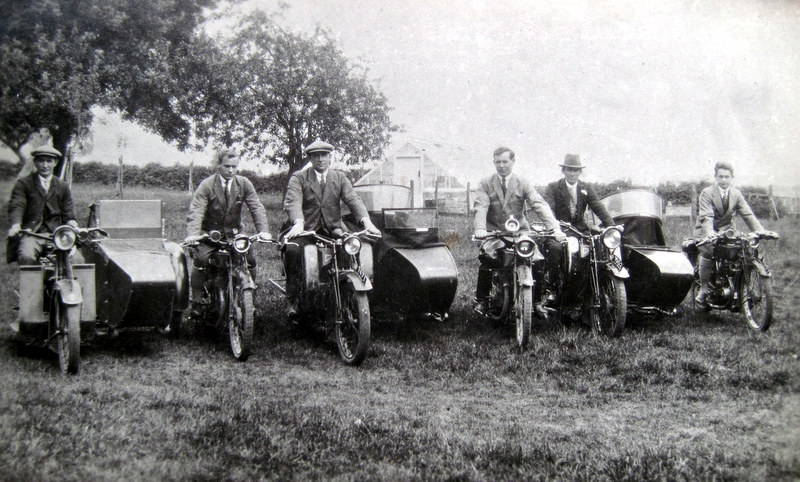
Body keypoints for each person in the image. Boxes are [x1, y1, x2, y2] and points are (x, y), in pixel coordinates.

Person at [282, 140, 381, 319]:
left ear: (329, 157)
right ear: (310, 158)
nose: (320, 159)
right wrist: (298, 222)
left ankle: (350, 294)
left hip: (333, 228)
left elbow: (353, 200)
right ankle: (293, 299)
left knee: (352, 247)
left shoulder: (339, 177)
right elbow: (293, 202)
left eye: (324, 155)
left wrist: (367, 222)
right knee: (293, 252)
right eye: (316, 155)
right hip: (306, 228)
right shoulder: (299, 177)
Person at [473, 146, 564, 315]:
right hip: (495, 233)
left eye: (505, 162)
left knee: (536, 260)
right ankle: (482, 299)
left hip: (520, 233)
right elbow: (481, 206)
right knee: (487, 259)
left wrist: (554, 227)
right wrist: (480, 228)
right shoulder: (485, 183)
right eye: (498, 162)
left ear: (513, 162)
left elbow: (538, 203)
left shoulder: (522, 182)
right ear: (493, 162)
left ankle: (535, 302)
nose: (501, 165)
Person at [185, 149, 272, 313]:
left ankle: (249, 299)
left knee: (250, 258)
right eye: (226, 166)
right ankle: (197, 301)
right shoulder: (207, 185)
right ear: (218, 165)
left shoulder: (244, 183)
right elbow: (196, 211)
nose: (231, 170)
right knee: (201, 259)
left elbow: (256, 207)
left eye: (234, 166)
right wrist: (193, 234)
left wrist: (263, 230)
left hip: (234, 235)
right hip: (210, 234)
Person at [541, 154, 616, 297]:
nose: (572, 173)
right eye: (569, 170)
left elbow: (598, 207)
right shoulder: (554, 187)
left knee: (595, 249)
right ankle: (554, 287)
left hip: (580, 230)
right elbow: (548, 208)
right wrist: (554, 226)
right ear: (563, 171)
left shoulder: (586, 187)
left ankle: (591, 287)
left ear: (580, 172)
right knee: (555, 250)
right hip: (559, 229)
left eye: (575, 170)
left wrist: (611, 226)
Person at [693, 161, 764, 307]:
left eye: (727, 177)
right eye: (720, 177)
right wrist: (709, 234)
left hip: (727, 230)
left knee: (744, 250)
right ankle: (704, 289)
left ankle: (742, 286)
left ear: (732, 177)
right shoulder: (707, 193)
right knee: (708, 251)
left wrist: (760, 231)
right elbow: (706, 217)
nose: (723, 180)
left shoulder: (736, 194)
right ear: (716, 177)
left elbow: (747, 214)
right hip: (707, 230)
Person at [7, 145, 78, 265]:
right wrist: (16, 224)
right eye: (41, 161)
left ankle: (71, 283)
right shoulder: (23, 184)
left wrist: (72, 223)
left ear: (55, 163)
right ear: (35, 162)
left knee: (77, 260)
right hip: (32, 234)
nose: (45, 165)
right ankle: (31, 284)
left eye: (49, 161)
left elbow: (68, 211)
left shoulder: (62, 186)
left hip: (57, 234)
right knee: (26, 256)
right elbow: (17, 204)